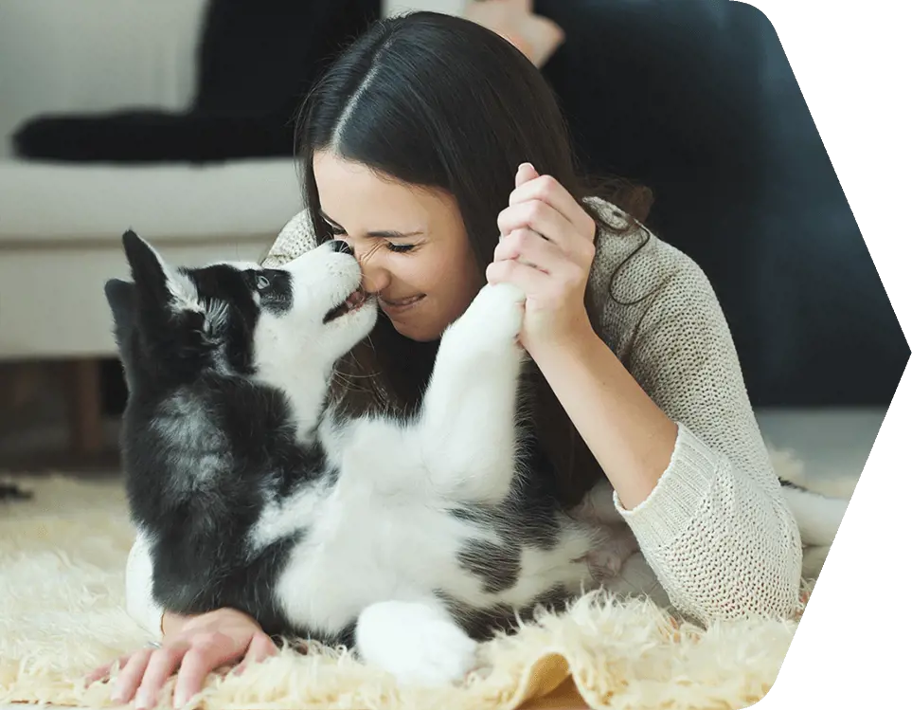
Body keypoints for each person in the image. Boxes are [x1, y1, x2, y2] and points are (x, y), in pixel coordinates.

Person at [91, 11, 805, 709]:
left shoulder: (643, 285)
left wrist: (564, 337)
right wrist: (201, 616)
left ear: (499, 205)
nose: (360, 271)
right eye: (338, 228)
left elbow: (755, 593)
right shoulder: (319, 271)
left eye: (399, 245)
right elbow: (181, 522)